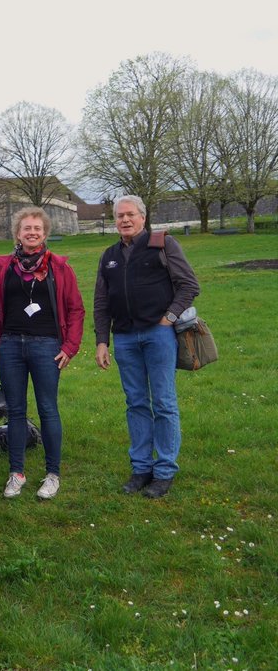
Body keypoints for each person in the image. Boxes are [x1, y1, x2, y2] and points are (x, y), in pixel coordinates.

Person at [94, 195, 200, 499]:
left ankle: (164, 470)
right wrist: (102, 340)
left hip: (158, 335)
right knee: (136, 403)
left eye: (130, 215)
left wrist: (169, 318)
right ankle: (141, 468)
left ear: (143, 217)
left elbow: (189, 285)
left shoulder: (162, 244)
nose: (125, 220)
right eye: (119, 216)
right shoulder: (109, 255)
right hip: (125, 338)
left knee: (164, 403)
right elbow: (102, 301)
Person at [0, 207, 85, 500]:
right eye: (26, 228)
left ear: (45, 233)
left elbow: (76, 310)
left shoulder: (60, 268)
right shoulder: (4, 269)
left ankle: (52, 474)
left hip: (47, 347)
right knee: (15, 410)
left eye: (37, 229)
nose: (32, 233)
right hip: (11, 345)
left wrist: (70, 347)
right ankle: (17, 472)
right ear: (17, 233)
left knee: (48, 409)